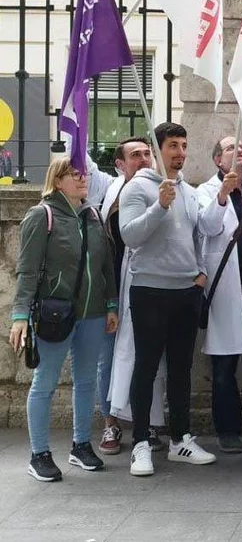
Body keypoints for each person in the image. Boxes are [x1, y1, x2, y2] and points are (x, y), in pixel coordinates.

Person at [120, 121, 224, 476]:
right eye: (173, 146)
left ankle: (180, 439)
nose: (180, 153)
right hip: (150, 290)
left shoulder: (190, 191)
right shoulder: (138, 188)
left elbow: (202, 233)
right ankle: (140, 443)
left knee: (181, 368)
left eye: (183, 145)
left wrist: (201, 272)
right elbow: (130, 236)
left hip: (186, 292)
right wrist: (159, 207)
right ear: (157, 149)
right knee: (146, 367)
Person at [10, 157, 118, 481]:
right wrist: (19, 315)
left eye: (84, 173)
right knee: (45, 382)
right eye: (74, 173)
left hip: (93, 313)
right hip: (55, 313)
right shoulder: (41, 215)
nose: (82, 178)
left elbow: (105, 267)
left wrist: (111, 305)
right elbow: (27, 270)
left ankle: (81, 445)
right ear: (58, 180)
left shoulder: (93, 214)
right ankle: (39, 453)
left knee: (86, 382)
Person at [195, 136, 242, 463]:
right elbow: (208, 227)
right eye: (230, 148)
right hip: (224, 289)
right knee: (224, 364)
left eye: (241, 147)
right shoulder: (205, 191)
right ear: (217, 160)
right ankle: (227, 427)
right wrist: (223, 195)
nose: (238, 150)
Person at [93, 137, 154, 456]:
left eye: (147, 153)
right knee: (107, 358)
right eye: (135, 155)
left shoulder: (163, 189)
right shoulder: (110, 190)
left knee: (148, 356)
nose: (144, 159)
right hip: (111, 288)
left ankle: (150, 423)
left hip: (148, 285)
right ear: (119, 164)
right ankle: (111, 421)